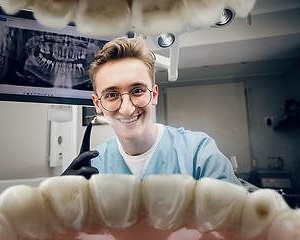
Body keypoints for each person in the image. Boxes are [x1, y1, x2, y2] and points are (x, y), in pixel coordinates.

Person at [63, 37, 241, 185]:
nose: (126, 109)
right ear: (97, 104)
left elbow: (240, 220)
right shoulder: (92, 164)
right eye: (111, 94)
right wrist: (57, 199)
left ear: (154, 94)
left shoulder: (198, 154)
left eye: (137, 90)